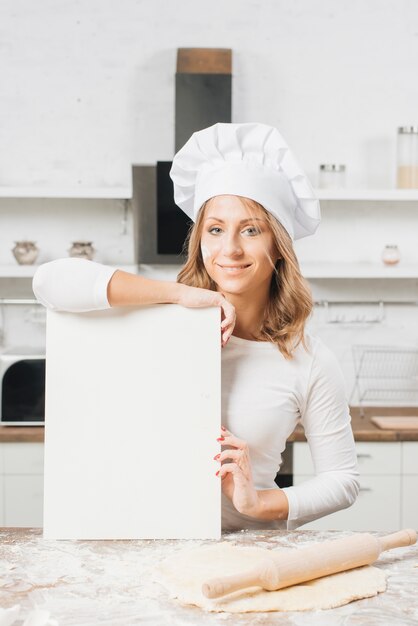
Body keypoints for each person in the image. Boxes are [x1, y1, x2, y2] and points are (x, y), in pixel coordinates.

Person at [33, 122, 359, 531]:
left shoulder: (306, 358)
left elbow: (343, 481)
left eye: (251, 229)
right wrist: (178, 295)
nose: (230, 249)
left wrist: (258, 503)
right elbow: (48, 282)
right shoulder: (161, 323)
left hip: (249, 555)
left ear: (278, 244)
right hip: (150, 543)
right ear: (200, 240)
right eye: (216, 229)